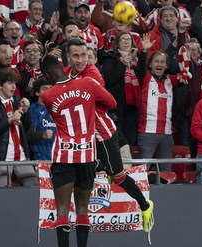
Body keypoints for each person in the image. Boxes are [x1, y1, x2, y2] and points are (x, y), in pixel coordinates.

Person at [64, 38, 154, 232]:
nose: (81, 60)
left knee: (118, 176)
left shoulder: (93, 74)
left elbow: (110, 102)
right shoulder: (65, 74)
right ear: (68, 57)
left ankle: (145, 206)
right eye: (76, 56)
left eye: (84, 56)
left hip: (101, 134)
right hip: (82, 136)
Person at [40, 54, 117, 247]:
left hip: (64, 155)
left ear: (47, 77)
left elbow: (57, 114)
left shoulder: (48, 95)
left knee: (62, 210)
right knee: (83, 208)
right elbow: (112, 104)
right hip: (87, 154)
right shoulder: (88, 84)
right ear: (62, 66)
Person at [136, 33, 188, 171]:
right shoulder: (146, 78)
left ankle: (167, 193)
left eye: (162, 62)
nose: (159, 64)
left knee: (166, 169)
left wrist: (186, 60)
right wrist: (144, 51)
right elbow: (140, 68)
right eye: (156, 61)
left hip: (166, 134)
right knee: (142, 169)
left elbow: (187, 76)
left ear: (166, 66)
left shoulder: (170, 80)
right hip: (147, 132)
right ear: (151, 65)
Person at [0, 69, 39, 187]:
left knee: (34, 186)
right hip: (2, 158)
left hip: (21, 156)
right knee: (4, 193)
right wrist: (9, 120)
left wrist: (26, 111)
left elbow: (26, 127)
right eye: (9, 83)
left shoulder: (16, 100)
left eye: (14, 83)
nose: (13, 86)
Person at [102, 31, 140, 146]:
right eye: (123, 39)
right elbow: (110, 79)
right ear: (117, 43)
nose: (127, 42)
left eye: (129, 39)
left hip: (133, 107)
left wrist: (143, 54)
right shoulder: (110, 58)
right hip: (117, 106)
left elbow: (143, 76)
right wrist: (123, 64)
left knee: (131, 140)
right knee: (119, 140)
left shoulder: (136, 60)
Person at [28, 77, 55, 160]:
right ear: (37, 93)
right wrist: (43, 135)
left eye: (50, 88)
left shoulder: (57, 108)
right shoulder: (34, 108)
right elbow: (29, 134)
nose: (48, 91)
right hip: (41, 157)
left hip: (59, 156)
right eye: (44, 89)